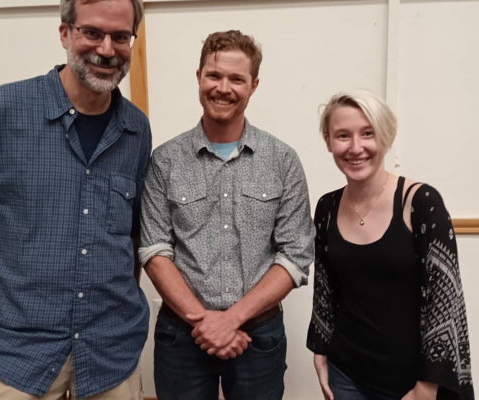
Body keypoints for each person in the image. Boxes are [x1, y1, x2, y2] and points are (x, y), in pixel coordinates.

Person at [0, 0, 151, 399]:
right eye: (92, 32)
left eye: (120, 37)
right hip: (20, 357)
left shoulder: (136, 130)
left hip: (112, 355)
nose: (107, 49)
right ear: (65, 33)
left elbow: (134, 232)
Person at [138, 30, 315, 400]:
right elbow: (154, 248)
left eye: (237, 78)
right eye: (214, 75)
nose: (223, 87)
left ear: (254, 85)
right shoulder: (165, 161)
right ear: (199, 77)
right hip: (181, 338)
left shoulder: (282, 161)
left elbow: (295, 254)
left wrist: (231, 320)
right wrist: (205, 323)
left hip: (259, 335)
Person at [307, 90, 474, 400]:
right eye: (343, 135)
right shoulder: (326, 207)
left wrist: (426, 389)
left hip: (413, 382)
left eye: (367, 133)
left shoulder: (421, 203)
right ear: (329, 142)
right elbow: (326, 287)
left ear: (384, 137)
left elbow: (445, 306)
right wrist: (320, 348)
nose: (356, 147)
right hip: (347, 373)